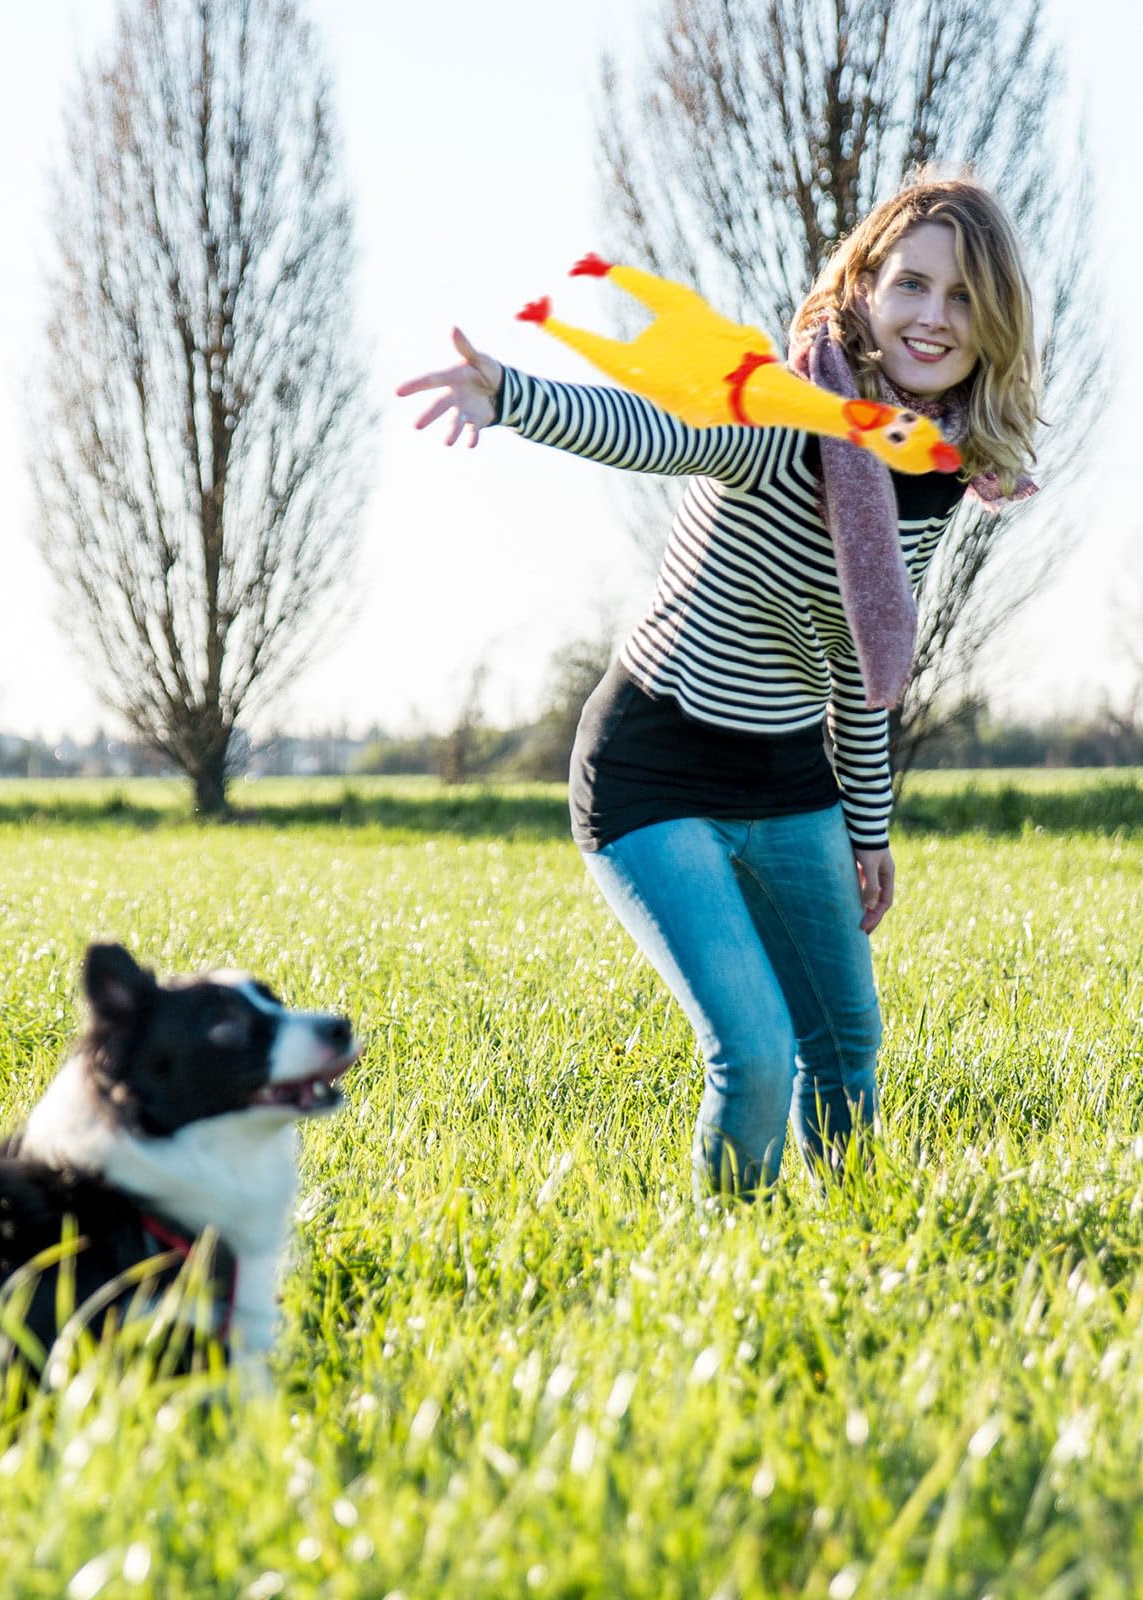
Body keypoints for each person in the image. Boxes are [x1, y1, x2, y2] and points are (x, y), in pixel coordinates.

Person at [396, 175, 1041, 1196]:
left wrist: (867, 830)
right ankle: (728, 1266)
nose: (932, 316)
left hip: (788, 779)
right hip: (654, 768)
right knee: (753, 1053)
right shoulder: (790, 413)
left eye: (961, 297)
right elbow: (664, 432)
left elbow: (859, 670)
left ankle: (853, 1245)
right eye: (911, 284)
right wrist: (512, 396)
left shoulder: (931, 469)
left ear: (994, 316)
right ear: (863, 286)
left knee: (845, 1042)